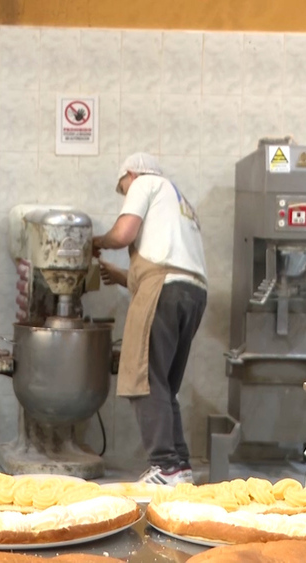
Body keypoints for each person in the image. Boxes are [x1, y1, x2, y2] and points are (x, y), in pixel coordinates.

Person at [93, 153, 208, 486]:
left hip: (164, 289)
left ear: (130, 174)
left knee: (143, 379)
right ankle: (180, 466)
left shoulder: (144, 183)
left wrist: (96, 243)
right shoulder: (178, 198)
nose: (125, 194)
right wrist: (120, 276)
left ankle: (165, 466)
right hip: (192, 293)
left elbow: (124, 234)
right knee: (163, 384)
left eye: (122, 188)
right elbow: (170, 262)